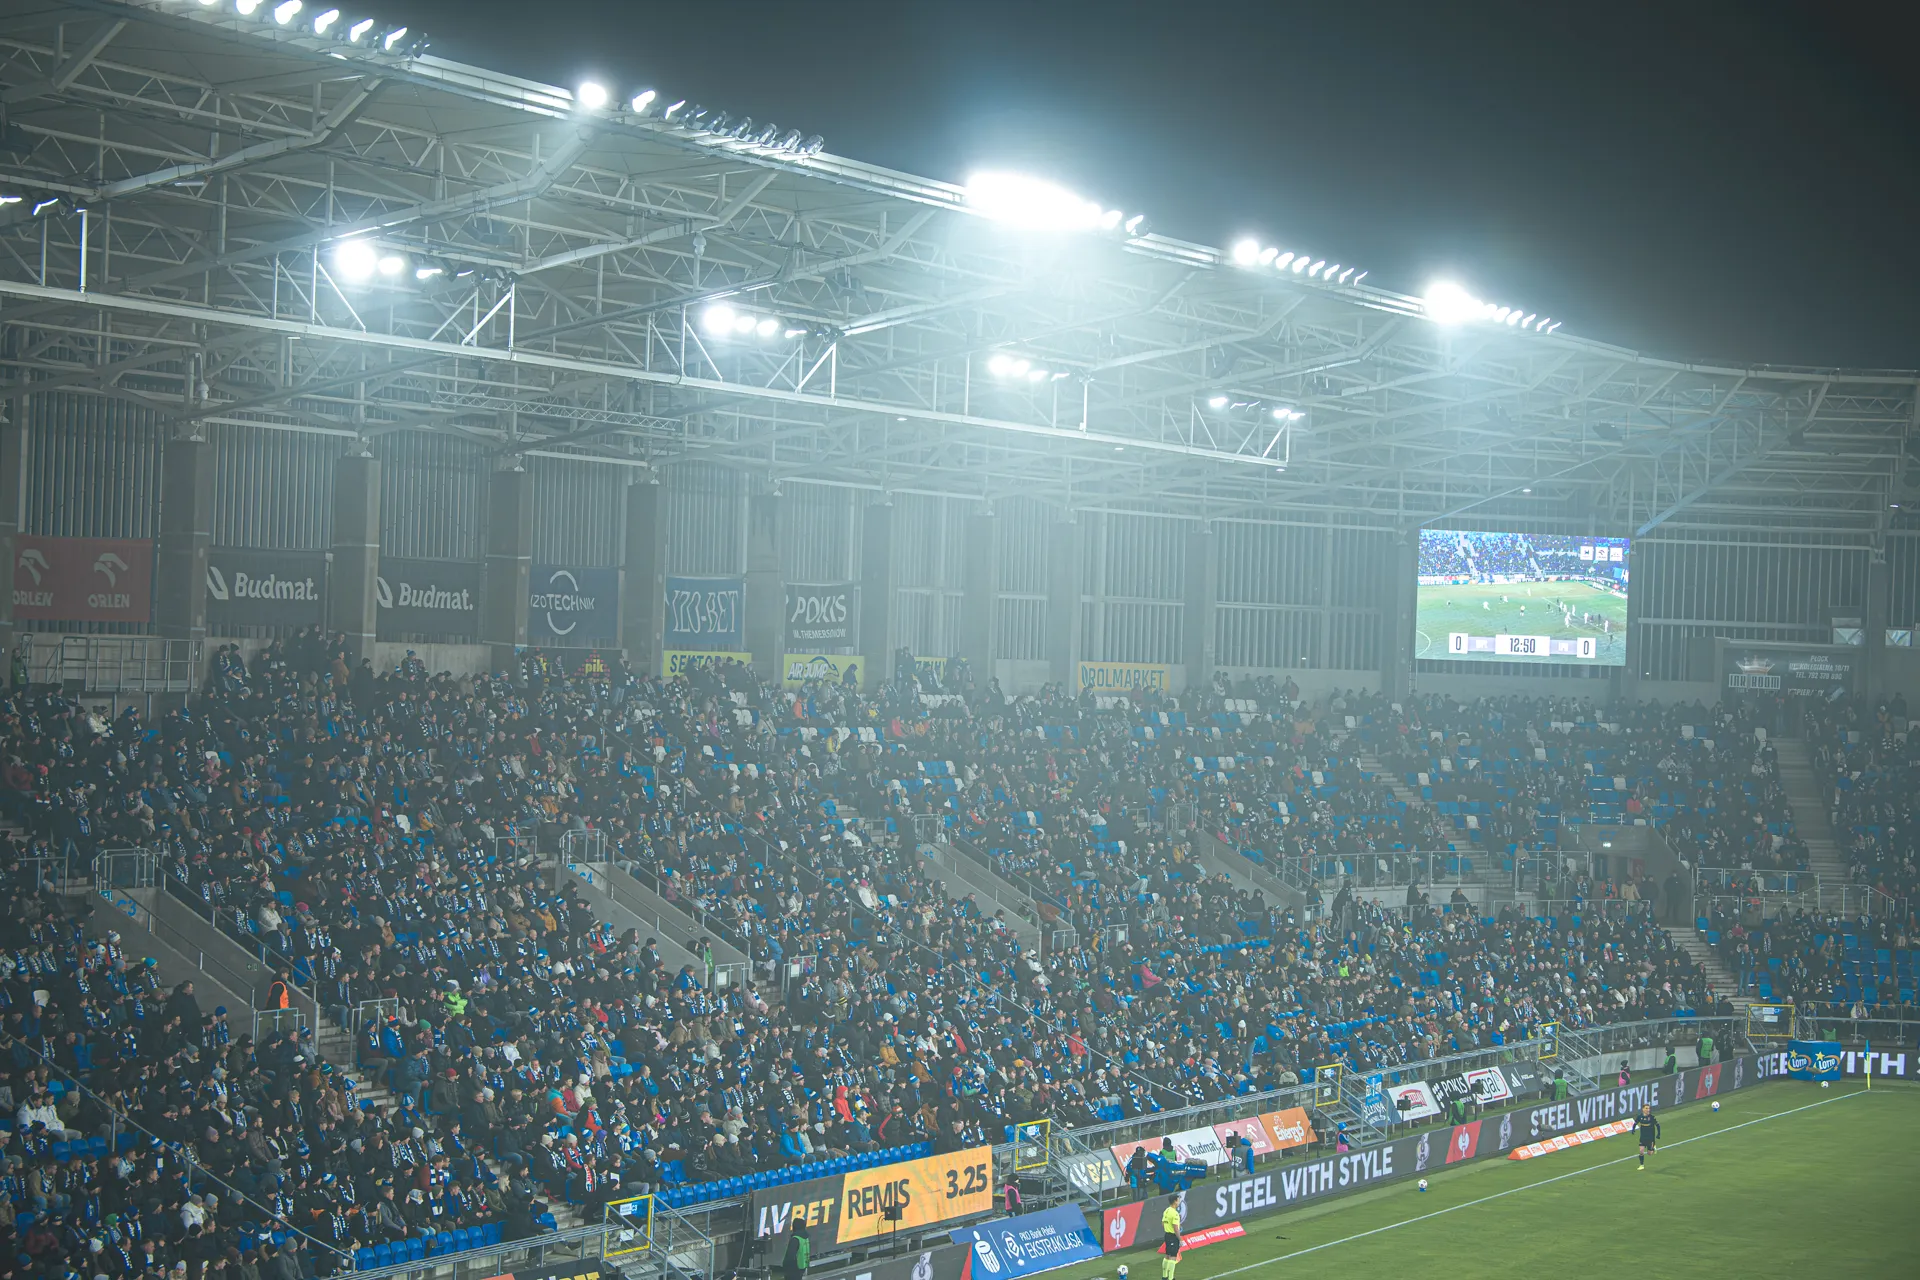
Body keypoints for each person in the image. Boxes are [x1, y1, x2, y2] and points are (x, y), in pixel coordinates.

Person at [1159, 1195, 1183, 1280]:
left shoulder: (1166, 1210)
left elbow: (1163, 1223)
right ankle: (1171, 1278)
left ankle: (1164, 1276)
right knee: (1173, 1256)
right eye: (1178, 1200)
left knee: (1167, 1255)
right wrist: (1180, 1239)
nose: (1179, 1202)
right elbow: (1176, 1228)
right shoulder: (1175, 1213)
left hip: (1167, 1235)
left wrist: (1168, 1228)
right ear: (1175, 1201)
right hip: (1173, 1236)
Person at [781, 1213, 811, 1280]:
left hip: (793, 1269)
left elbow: (790, 1256)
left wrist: (785, 1267)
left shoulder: (795, 1239)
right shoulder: (805, 1237)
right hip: (802, 1266)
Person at [1634, 1104, 1660, 1170]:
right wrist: (1633, 1129)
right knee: (1641, 1151)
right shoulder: (1640, 1117)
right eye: (1646, 1108)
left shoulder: (1651, 1117)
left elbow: (1657, 1125)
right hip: (1643, 1138)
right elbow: (1635, 1123)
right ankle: (1641, 1165)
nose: (1648, 1110)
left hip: (1650, 1138)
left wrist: (1658, 1134)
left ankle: (1653, 1147)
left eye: (1649, 1108)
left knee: (1649, 1153)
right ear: (1643, 1109)